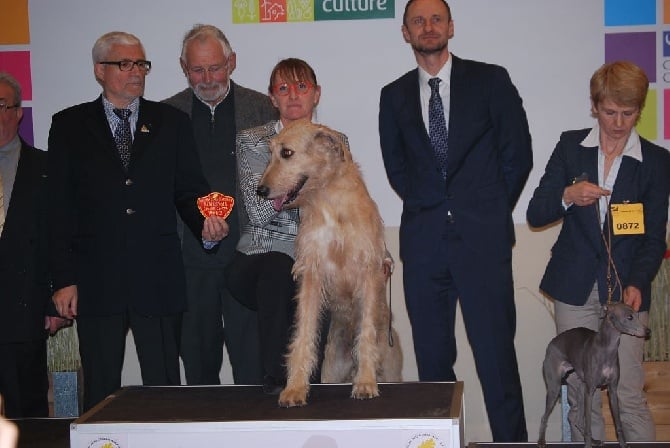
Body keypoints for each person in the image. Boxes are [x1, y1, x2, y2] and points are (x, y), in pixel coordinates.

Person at [48, 31, 228, 411]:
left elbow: (188, 191)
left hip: (157, 276)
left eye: (141, 64)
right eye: (124, 64)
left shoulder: (171, 122)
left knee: (164, 387)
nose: (136, 73)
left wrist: (206, 226)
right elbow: (59, 208)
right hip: (96, 279)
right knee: (100, 387)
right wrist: (63, 279)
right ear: (100, 70)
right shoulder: (69, 125)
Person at [378, 0, 532, 441]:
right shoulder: (393, 95)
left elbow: (517, 154)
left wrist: (483, 207)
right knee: (432, 366)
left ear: (451, 27)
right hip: (425, 247)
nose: (428, 27)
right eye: (418, 21)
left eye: (436, 19)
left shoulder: (490, 80)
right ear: (405, 32)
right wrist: (435, 206)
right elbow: (398, 169)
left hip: (483, 242)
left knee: (496, 359)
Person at [527, 61, 670, 442]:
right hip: (574, 291)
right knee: (579, 393)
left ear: (640, 110)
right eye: (609, 112)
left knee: (628, 394)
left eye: (628, 113)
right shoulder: (570, 146)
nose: (619, 122)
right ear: (594, 106)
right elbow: (536, 212)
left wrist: (638, 283)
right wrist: (568, 196)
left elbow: (654, 237)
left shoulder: (655, 162)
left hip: (626, 295)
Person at [163, 24, 277, 385]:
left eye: (215, 67)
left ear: (232, 62)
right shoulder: (166, 115)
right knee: (198, 367)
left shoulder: (262, 109)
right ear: (183, 67)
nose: (207, 78)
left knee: (253, 365)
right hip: (189, 261)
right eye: (197, 69)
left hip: (248, 257)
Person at [224, 58, 334, 395]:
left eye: (302, 87)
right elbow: (259, 212)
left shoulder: (333, 141)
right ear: (272, 98)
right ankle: (276, 382)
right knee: (278, 267)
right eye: (283, 89)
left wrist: (381, 253)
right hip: (260, 255)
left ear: (316, 95)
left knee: (319, 272)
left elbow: (349, 202)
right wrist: (310, 192)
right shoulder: (254, 141)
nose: (293, 96)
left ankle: (308, 387)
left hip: (314, 256)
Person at [0, 72, 70, 418]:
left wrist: (54, 303)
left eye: (2, 105)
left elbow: (59, 238)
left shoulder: (46, 168)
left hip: (23, 311)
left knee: (27, 410)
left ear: (18, 112)